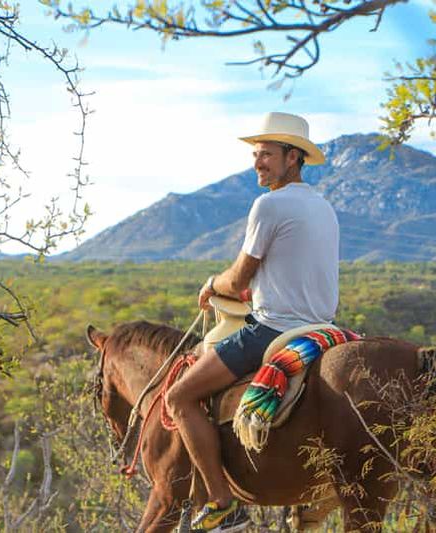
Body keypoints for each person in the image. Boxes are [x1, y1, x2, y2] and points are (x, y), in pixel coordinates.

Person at [165, 111, 340, 532]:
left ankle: (223, 504)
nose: (257, 163)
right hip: (325, 331)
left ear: (293, 157)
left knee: (179, 397)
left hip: (274, 330)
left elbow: (238, 278)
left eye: (266, 155)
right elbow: (287, 273)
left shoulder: (269, 204)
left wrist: (212, 284)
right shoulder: (324, 208)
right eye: (256, 155)